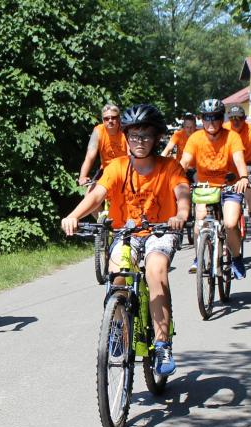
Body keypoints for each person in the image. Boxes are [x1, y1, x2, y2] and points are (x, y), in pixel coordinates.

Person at [62, 104, 190, 377]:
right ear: (126, 137)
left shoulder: (170, 167)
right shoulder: (117, 166)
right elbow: (97, 195)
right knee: (117, 273)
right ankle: (118, 323)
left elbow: (182, 191)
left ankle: (162, 344)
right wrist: (73, 216)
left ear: (157, 137)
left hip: (160, 231)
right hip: (127, 233)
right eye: (133, 135)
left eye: (145, 135)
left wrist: (181, 215)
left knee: (156, 269)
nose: (139, 141)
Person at [179, 99, 250, 278]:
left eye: (216, 117)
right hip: (205, 188)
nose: (211, 122)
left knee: (230, 224)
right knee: (199, 223)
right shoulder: (195, 138)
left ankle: (236, 258)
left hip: (229, 185)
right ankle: (199, 258)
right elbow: (185, 161)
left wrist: (243, 177)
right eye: (207, 117)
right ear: (201, 119)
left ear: (222, 118)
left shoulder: (232, 136)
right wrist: (174, 177)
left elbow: (239, 159)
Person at [224, 105, 251, 222]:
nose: (235, 121)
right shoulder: (224, 129)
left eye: (239, 118)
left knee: (250, 182)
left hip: (247, 164)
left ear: (245, 118)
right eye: (232, 118)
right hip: (229, 165)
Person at [77, 102, 128, 186]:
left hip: (125, 169)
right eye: (106, 119)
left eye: (113, 117)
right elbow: (90, 156)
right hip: (106, 170)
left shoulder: (125, 130)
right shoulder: (98, 131)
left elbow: (131, 155)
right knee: (90, 190)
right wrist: (82, 177)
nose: (110, 121)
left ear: (119, 118)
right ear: (103, 120)